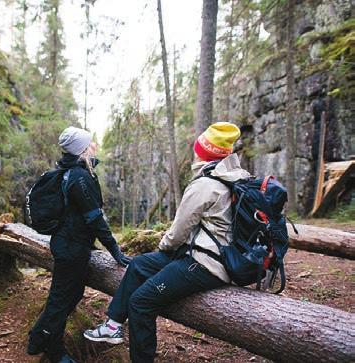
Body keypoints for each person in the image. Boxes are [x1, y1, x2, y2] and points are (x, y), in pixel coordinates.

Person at [83, 122, 250, 363]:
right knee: (140, 264)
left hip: (205, 265)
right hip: (209, 255)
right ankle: (112, 325)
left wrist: (164, 247)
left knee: (140, 303)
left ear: (203, 151)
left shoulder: (205, 184)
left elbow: (179, 231)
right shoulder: (236, 177)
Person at [27, 126, 132, 363]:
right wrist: (114, 250)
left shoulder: (73, 172)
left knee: (70, 295)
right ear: (82, 149)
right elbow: (94, 218)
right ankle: (52, 352)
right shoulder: (79, 177)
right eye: (91, 143)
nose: (94, 145)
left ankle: (37, 338)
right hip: (70, 248)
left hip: (71, 245)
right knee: (60, 300)